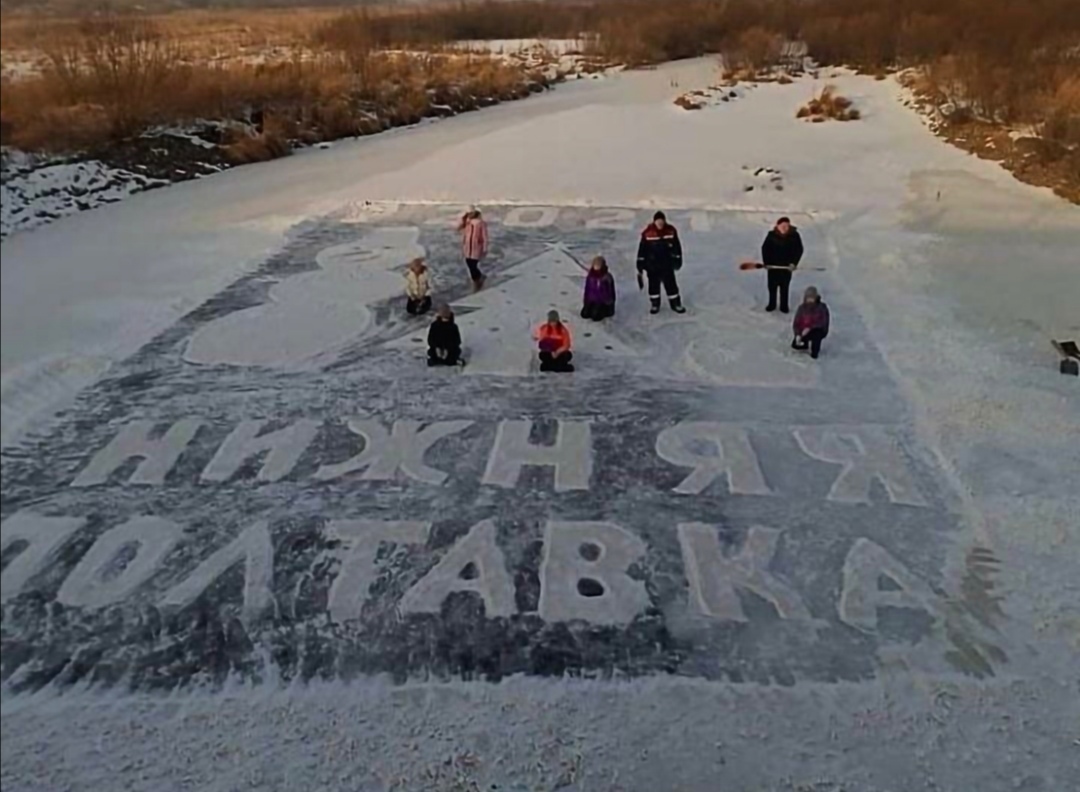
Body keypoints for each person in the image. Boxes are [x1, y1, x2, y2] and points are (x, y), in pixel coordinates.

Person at [636, 211, 685, 314]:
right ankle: (655, 304)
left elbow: (677, 247)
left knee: (671, 285)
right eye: (658, 222)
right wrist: (640, 264)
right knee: (653, 286)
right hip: (652, 265)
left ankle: (675, 304)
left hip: (667, 264)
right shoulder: (647, 233)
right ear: (655, 222)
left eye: (661, 221)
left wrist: (678, 259)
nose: (660, 224)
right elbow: (642, 250)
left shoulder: (671, 231)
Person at [761, 216, 804, 313]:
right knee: (772, 286)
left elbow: (799, 250)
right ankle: (772, 304)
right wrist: (766, 263)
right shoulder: (771, 236)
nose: (785, 228)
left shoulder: (794, 236)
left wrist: (794, 263)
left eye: (787, 226)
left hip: (786, 267)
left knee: (784, 286)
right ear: (778, 226)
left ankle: (784, 306)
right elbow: (765, 249)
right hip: (773, 266)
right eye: (782, 226)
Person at [791, 286, 830, 359]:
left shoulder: (821, 307)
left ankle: (815, 351)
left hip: (817, 329)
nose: (810, 300)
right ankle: (804, 343)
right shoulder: (802, 308)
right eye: (808, 298)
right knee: (795, 345)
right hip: (803, 330)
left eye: (812, 298)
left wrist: (810, 328)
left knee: (816, 337)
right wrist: (798, 333)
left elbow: (823, 322)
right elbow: (796, 322)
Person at [458, 206, 489, 291]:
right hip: (468, 247)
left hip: (476, 247)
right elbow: (459, 229)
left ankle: (478, 279)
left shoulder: (480, 223)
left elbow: (484, 236)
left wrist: (484, 248)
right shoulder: (467, 222)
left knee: (473, 264)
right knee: (469, 263)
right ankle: (477, 279)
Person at [581, 255, 616, 321]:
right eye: (595, 265)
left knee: (595, 316)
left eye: (598, 265)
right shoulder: (591, 276)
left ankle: (602, 312)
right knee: (585, 314)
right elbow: (587, 289)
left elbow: (610, 293)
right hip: (592, 300)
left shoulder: (606, 277)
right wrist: (586, 301)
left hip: (602, 302)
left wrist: (609, 303)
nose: (596, 267)